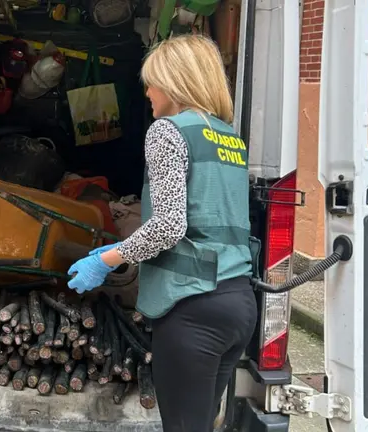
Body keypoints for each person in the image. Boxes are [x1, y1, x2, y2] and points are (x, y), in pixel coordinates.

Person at [67, 34, 257, 431]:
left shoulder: (168, 132)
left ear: (176, 82)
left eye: (153, 81)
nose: (148, 91)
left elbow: (169, 226)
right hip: (238, 305)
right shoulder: (228, 138)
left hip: (193, 309)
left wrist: (106, 259)